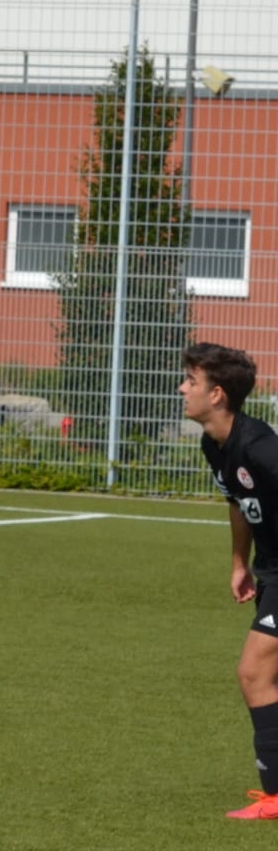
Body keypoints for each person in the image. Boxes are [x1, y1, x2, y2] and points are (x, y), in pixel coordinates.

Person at [180, 342, 278, 820]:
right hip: (270, 570)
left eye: (191, 381)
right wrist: (240, 562)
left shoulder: (260, 446)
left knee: (254, 672)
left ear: (216, 394)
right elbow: (238, 503)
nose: (182, 388)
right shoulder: (214, 444)